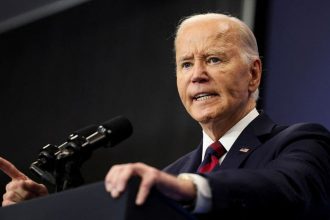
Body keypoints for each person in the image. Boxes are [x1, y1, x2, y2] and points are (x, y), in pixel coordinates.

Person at [1, 13, 330, 219]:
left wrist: (190, 189)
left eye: (213, 59)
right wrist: (42, 214)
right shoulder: (170, 174)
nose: (197, 75)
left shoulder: (300, 142)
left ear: (253, 74)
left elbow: (287, 189)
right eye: (186, 64)